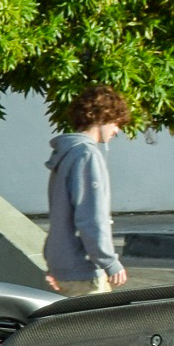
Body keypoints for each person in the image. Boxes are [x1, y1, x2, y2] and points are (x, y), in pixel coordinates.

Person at [43, 86, 130, 297]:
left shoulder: (67, 153)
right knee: (96, 328)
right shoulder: (87, 155)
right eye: (115, 122)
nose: (117, 130)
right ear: (100, 117)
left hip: (61, 263)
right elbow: (91, 216)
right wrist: (110, 262)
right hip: (83, 269)